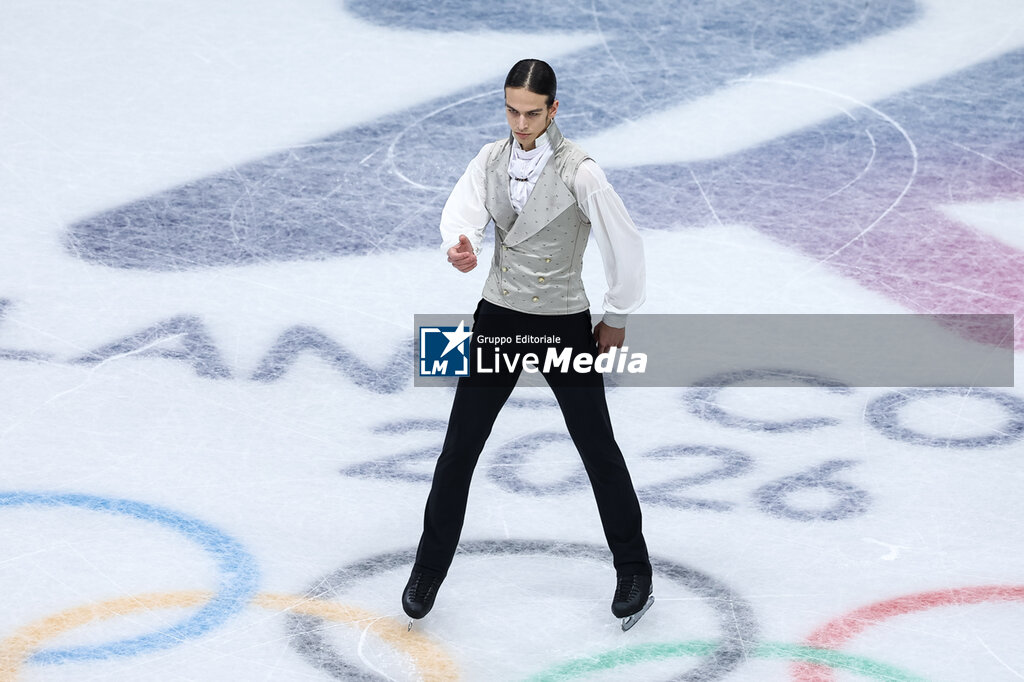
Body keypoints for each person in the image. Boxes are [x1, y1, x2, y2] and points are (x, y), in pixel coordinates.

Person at [403, 59, 654, 630]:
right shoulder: (489, 159)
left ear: (553, 109)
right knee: (459, 448)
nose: (521, 123)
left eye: (532, 112)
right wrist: (461, 245)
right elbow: (461, 215)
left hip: (563, 320)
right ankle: (427, 570)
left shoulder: (581, 172)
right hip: (498, 318)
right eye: (512, 110)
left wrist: (617, 314)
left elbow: (625, 241)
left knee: (597, 448)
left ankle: (634, 569)